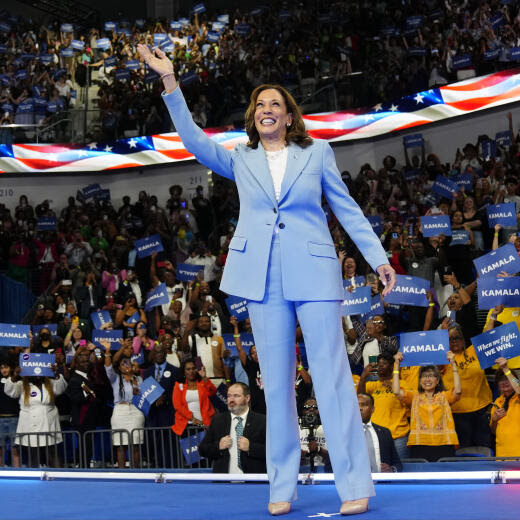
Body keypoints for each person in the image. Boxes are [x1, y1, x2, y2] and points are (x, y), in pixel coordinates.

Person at [138, 44, 396, 517]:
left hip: (315, 273)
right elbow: (194, 140)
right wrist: (171, 82)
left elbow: (346, 208)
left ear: (290, 115)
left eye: (275, 103)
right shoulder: (241, 159)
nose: (266, 110)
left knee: (334, 379)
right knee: (274, 386)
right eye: (259, 105)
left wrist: (377, 257)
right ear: (253, 118)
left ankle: (354, 485)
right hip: (261, 279)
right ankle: (281, 487)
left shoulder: (317, 152)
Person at [392, 351, 461, 462]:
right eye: (424, 376)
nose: (427, 379)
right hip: (420, 445)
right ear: (420, 381)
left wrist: (453, 363)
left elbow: (457, 391)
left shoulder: (444, 396)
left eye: (431, 376)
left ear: (437, 380)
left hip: (444, 444)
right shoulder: (414, 396)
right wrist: (396, 365)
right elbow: (396, 391)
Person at [199, 382, 267, 473]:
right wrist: (218, 446)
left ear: (247, 398)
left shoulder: (262, 421)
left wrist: (251, 447)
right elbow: (202, 449)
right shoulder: (218, 420)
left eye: (236, 396)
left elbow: (272, 452)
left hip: (252, 481)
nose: (231, 400)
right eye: (229, 396)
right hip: (225, 482)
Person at [103, 340, 144, 468]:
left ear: (132, 366)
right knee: (120, 445)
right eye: (123, 364)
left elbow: (144, 396)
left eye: (128, 363)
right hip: (120, 412)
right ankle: (121, 473)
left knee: (135, 445)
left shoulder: (139, 379)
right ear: (120, 367)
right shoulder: (115, 378)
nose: (126, 366)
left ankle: (136, 473)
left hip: (136, 411)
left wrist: (138, 390)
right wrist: (108, 351)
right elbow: (108, 367)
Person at [357, 393, 402, 473]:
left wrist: (392, 469)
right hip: (354, 484)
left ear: (372, 409)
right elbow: (333, 465)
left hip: (382, 483)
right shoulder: (344, 433)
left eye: (364, 405)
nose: (359, 408)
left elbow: (397, 463)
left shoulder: (385, 433)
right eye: (356, 405)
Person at [172, 360, 216, 437]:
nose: (191, 371)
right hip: (186, 425)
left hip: (204, 424)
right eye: (188, 369)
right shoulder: (178, 385)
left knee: (205, 449)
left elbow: (213, 392)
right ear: (184, 371)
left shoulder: (202, 383)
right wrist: (192, 419)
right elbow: (177, 405)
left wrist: (204, 377)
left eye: (193, 368)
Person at [490, 357, 520, 457]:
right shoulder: (497, 402)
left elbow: (518, 388)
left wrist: (505, 369)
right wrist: (494, 420)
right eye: (500, 380)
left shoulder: (518, 397)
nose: (504, 382)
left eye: (507, 379)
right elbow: (494, 431)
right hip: (502, 455)